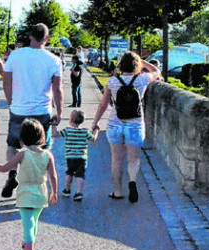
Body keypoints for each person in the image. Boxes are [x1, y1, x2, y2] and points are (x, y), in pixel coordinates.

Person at [0, 118, 57, 250]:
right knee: (34, 222)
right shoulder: (48, 155)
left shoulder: (22, 154)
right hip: (40, 192)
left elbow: (5, 168)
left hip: (25, 193)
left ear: (22, 138)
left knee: (27, 224)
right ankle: (27, 244)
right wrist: (54, 193)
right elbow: (53, 175)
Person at [0, 24, 63, 199]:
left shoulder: (15, 55)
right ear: (47, 38)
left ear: (30, 36)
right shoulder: (53, 60)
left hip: (18, 109)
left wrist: (11, 101)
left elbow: (6, 81)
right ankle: (38, 187)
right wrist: (59, 111)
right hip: (42, 110)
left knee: (13, 146)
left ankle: (12, 173)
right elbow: (57, 90)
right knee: (42, 149)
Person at [91, 52, 160, 202]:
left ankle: (118, 191)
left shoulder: (112, 82)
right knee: (133, 159)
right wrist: (142, 61)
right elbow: (157, 72)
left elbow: (103, 104)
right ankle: (132, 181)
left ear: (120, 65)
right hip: (135, 124)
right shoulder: (142, 79)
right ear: (137, 66)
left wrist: (95, 122)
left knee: (116, 159)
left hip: (115, 124)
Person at [58, 109, 94, 200]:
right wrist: (96, 131)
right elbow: (93, 139)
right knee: (80, 174)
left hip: (70, 157)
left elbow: (55, 134)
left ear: (71, 120)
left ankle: (67, 190)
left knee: (69, 172)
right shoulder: (86, 132)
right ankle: (78, 193)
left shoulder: (67, 130)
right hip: (81, 158)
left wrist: (54, 125)